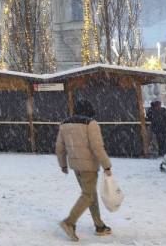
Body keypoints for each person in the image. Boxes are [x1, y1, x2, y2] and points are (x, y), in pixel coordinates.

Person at [55, 99, 113, 242]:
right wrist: (106, 165)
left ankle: (99, 225)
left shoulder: (64, 124)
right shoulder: (90, 123)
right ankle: (69, 222)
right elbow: (97, 147)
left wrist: (63, 164)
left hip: (76, 165)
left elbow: (59, 147)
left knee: (90, 194)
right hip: (89, 166)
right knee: (88, 195)